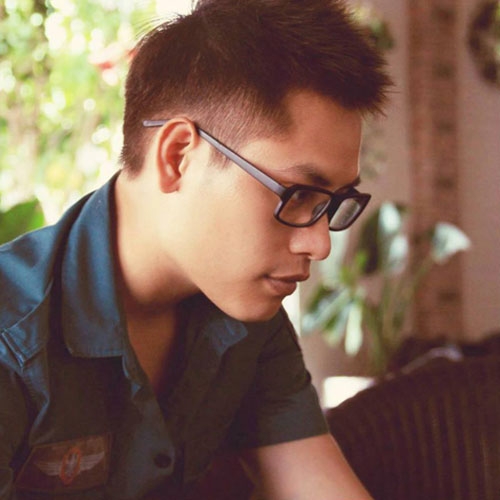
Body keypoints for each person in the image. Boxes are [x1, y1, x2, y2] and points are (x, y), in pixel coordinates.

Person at [0, 0, 391, 498]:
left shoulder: (247, 322)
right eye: (298, 195)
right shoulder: (13, 336)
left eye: (332, 204)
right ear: (178, 156)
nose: (320, 244)